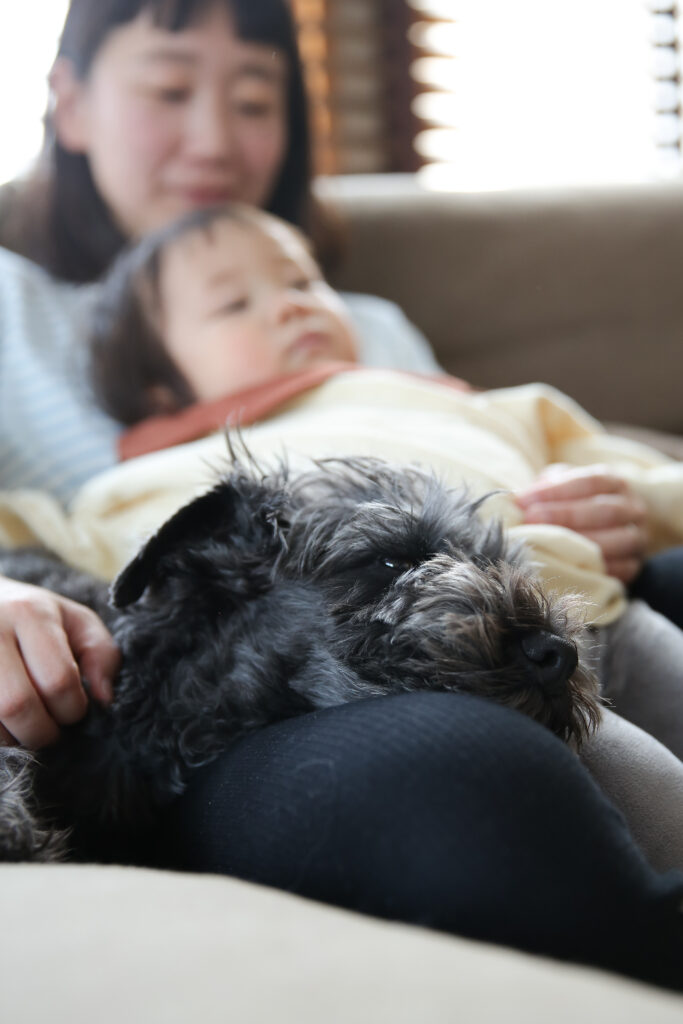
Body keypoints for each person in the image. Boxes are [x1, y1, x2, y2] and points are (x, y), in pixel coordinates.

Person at [0, 0, 681, 988]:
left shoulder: (357, 319)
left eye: (253, 98)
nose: (213, 137)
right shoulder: (14, 312)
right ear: (67, 102)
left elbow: (467, 452)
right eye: (169, 87)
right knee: (460, 763)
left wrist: (604, 501)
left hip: (549, 589)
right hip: (204, 683)